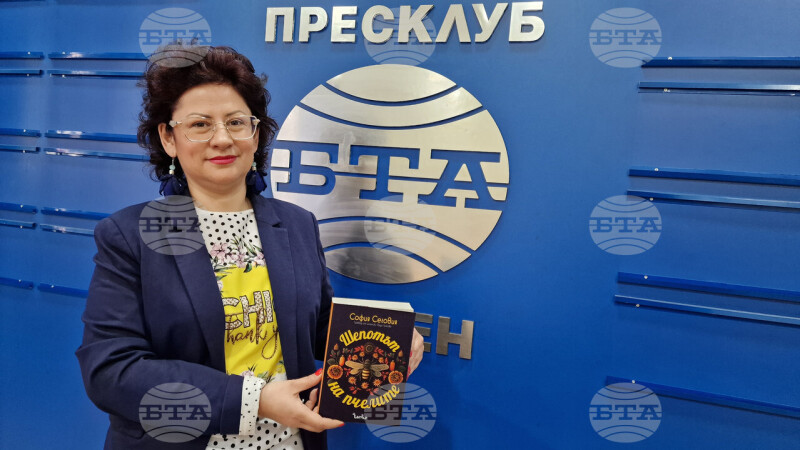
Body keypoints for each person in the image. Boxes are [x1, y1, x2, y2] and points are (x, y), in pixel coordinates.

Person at [76, 46, 424, 450]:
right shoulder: (129, 235)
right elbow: (111, 371)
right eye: (200, 124)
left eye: (236, 122)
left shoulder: (296, 223)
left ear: (256, 135)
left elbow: (313, 328)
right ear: (168, 138)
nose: (222, 139)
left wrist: (385, 341)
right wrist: (254, 400)